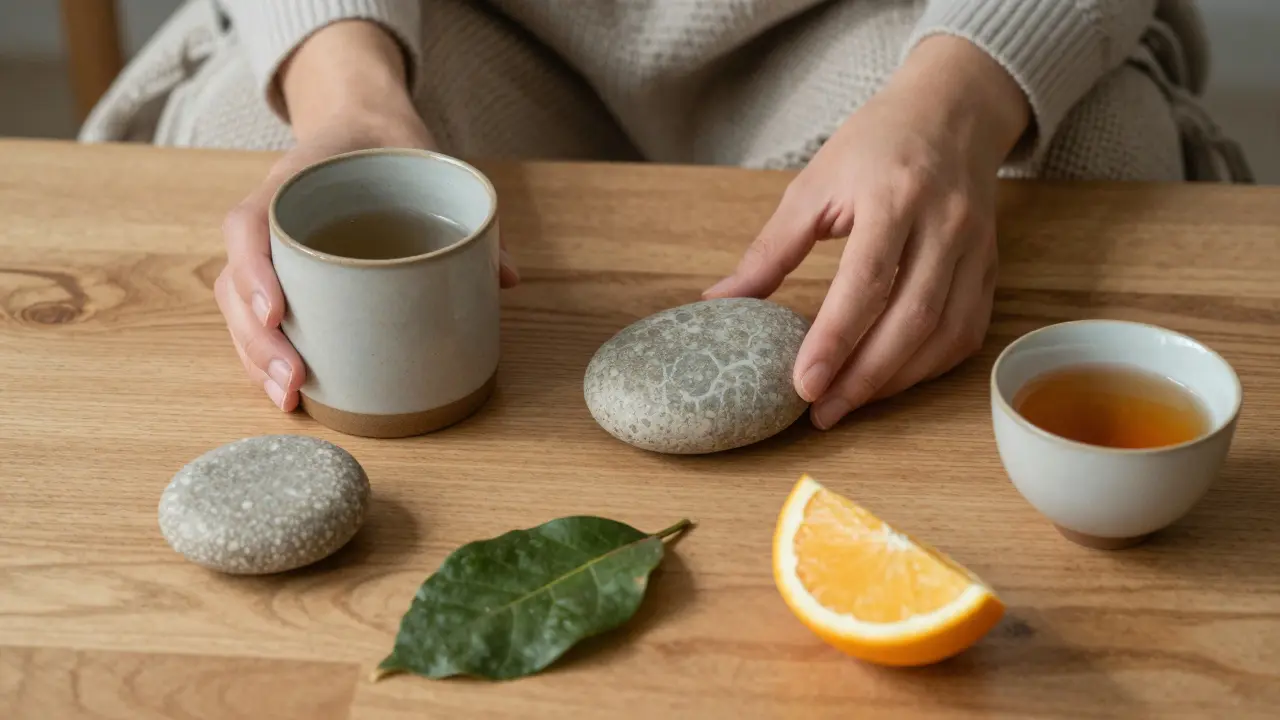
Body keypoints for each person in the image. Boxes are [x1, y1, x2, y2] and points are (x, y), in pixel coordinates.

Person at [82, 0, 1248, 429]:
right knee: (246, 157)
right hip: (445, 29)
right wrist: (346, 95)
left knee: (1086, 162)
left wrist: (955, 108)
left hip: (880, 35)